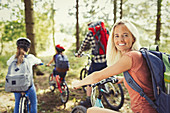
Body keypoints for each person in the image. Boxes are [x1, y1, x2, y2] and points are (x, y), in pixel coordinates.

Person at [73, 19, 158, 113]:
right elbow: (141, 78)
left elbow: (96, 76)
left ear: (133, 38)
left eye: (125, 35)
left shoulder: (131, 57)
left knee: (91, 111)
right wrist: (122, 79)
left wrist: (78, 83)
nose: (120, 40)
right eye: (116, 36)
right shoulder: (137, 54)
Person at [75, 21, 109, 107]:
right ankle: (106, 88)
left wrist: (79, 53)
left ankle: (88, 100)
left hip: (97, 61)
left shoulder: (90, 33)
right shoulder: (105, 31)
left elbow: (84, 45)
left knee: (89, 78)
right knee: (104, 74)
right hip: (107, 59)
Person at [7, 37, 42, 113]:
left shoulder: (13, 58)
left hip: (15, 85)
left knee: (17, 102)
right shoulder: (30, 58)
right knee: (33, 102)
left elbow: (8, 63)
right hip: (28, 85)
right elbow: (39, 61)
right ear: (28, 49)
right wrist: (39, 63)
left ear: (17, 48)